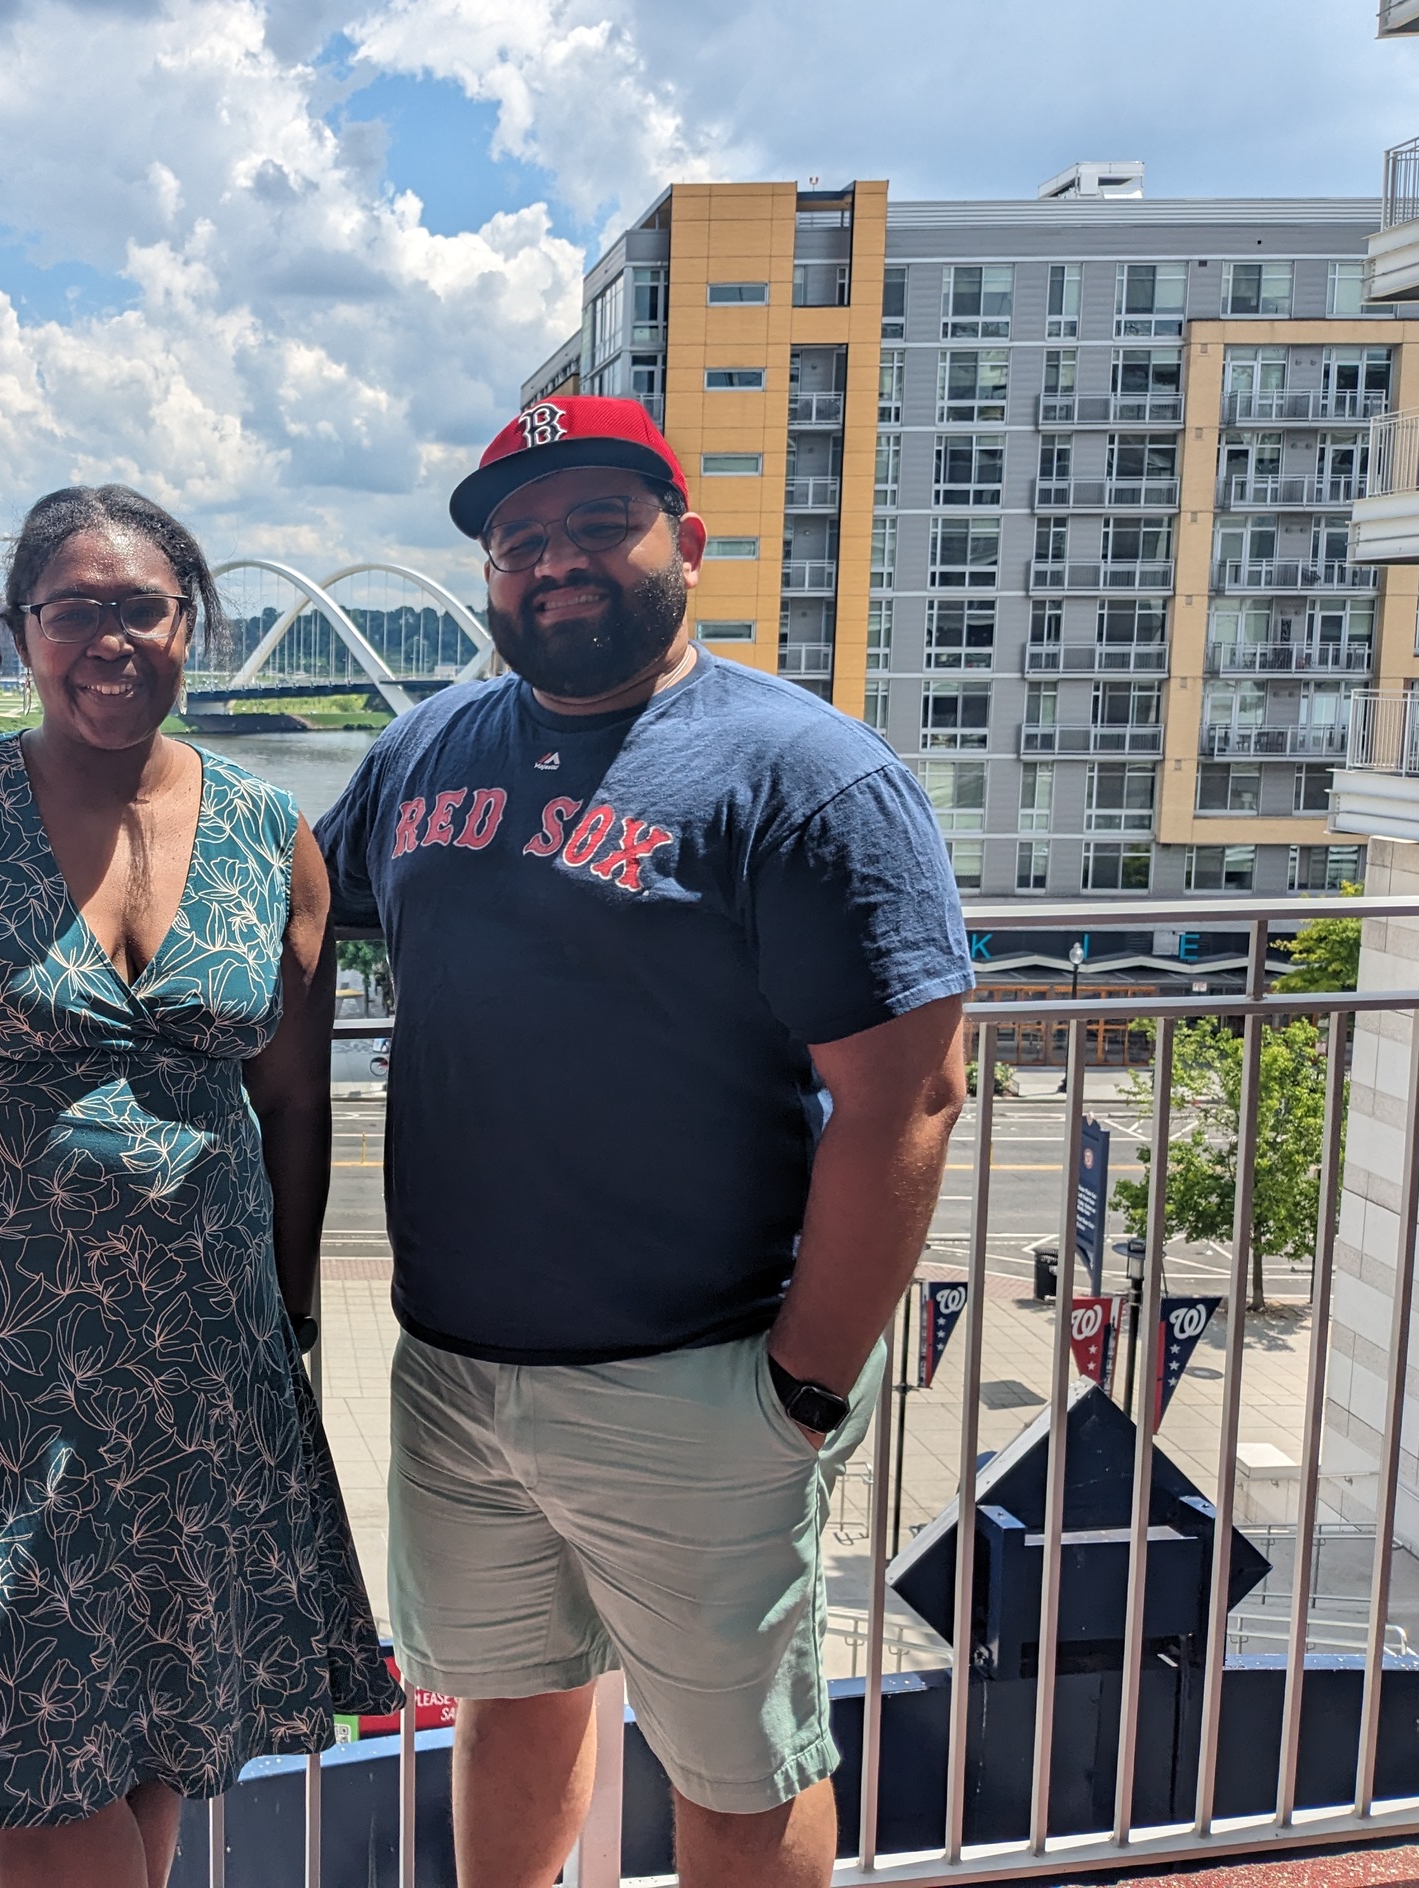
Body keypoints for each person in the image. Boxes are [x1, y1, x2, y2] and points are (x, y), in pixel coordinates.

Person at [314, 396, 973, 1888]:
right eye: (516, 540)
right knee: (513, 1708)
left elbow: (911, 1097)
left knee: (737, 1770)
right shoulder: (425, 751)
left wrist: (803, 1384)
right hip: (459, 1377)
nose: (553, 561)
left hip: (702, 1379)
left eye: (598, 523)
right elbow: (271, 922)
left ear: (688, 540)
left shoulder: (803, 775)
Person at [0, 484, 399, 1888]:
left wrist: (290, 1322)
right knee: (34, 1740)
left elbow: (295, 1103)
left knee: (148, 1724)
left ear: (192, 624)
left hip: (195, 1357)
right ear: (22, 631)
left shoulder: (275, 835)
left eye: (142, 606)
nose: (109, 637)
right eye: (73, 608)